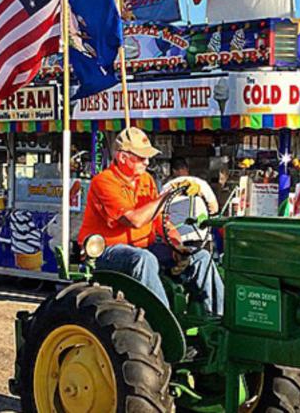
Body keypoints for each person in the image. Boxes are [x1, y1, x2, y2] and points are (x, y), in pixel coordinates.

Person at [78, 127, 224, 315]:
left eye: (148, 157)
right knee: (144, 259)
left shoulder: (146, 180)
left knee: (200, 257)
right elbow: (135, 220)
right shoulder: (104, 182)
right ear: (123, 157)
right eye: (141, 157)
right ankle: (164, 321)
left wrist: (179, 247)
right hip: (106, 252)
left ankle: (216, 320)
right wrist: (168, 195)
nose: (147, 162)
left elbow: (160, 220)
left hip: (144, 247)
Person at [162, 158, 219, 246]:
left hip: (175, 238)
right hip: (200, 236)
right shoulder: (200, 183)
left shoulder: (166, 187)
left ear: (174, 171)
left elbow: (160, 212)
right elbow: (214, 209)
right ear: (187, 169)